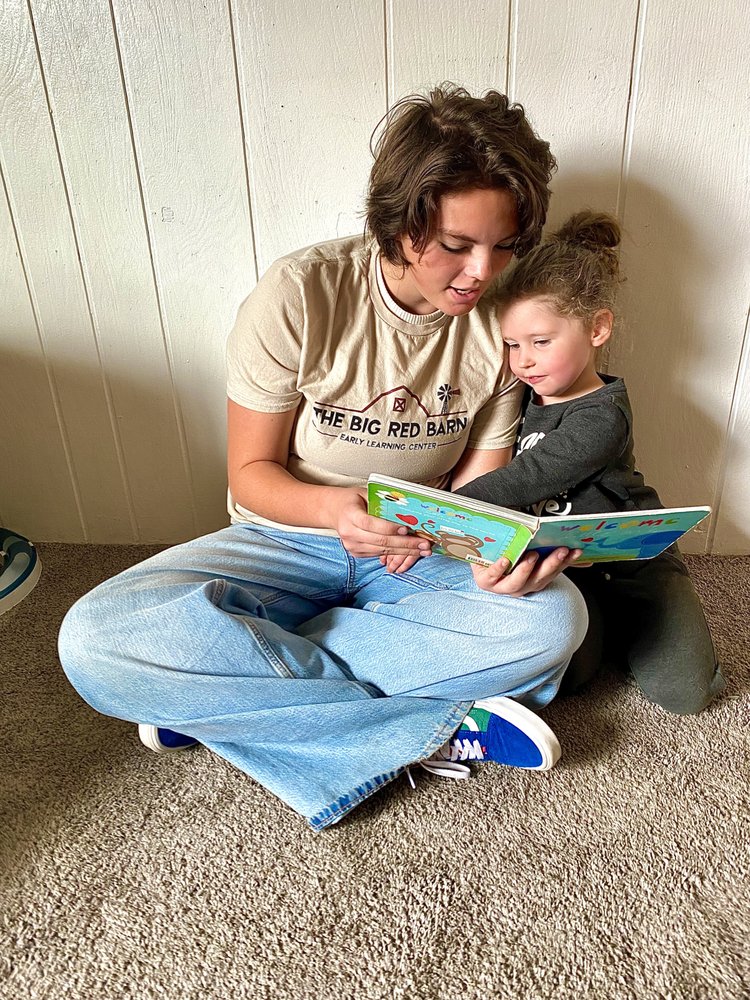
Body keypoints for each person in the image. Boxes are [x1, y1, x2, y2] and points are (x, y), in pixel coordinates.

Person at [57, 85, 588, 831]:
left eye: (503, 246)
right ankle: (424, 730)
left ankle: (230, 700)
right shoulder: (300, 295)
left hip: (417, 550)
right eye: (456, 245)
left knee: (551, 624)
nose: (482, 271)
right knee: (95, 640)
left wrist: (484, 557)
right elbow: (251, 476)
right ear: (401, 225)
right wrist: (335, 511)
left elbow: (476, 489)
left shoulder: (505, 324)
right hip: (285, 537)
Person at [453, 210, 724, 715]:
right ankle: (615, 634)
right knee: (571, 679)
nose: (523, 360)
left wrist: (446, 509)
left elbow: (534, 473)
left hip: (634, 563)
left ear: (597, 329)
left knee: (688, 694)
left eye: (541, 342)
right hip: (568, 566)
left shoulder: (604, 413)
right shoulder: (521, 396)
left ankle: (650, 625)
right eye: (513, 345)